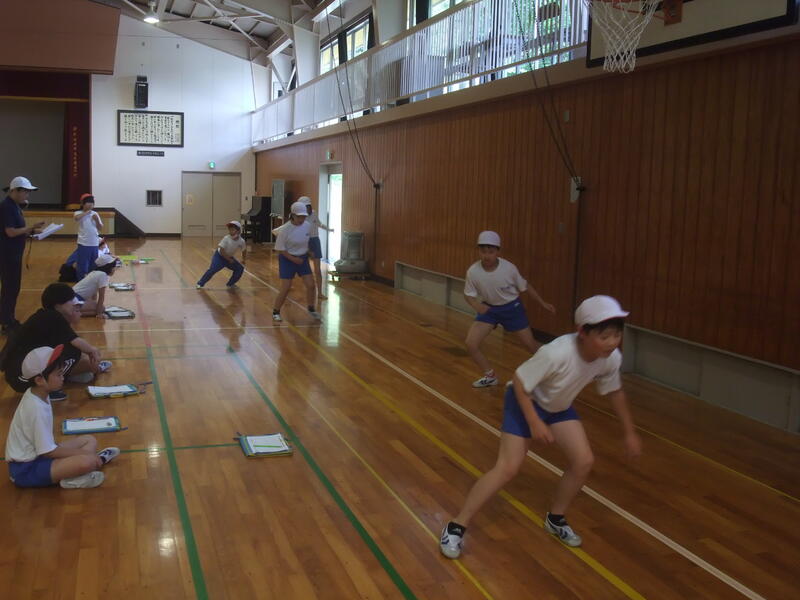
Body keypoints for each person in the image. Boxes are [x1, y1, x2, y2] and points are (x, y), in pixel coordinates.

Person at [440, 295, 643, 558]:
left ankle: (556, 518)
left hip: (558, 406)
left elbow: (615, 391)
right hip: (523, 401)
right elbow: (520, 382)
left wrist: (629, 432)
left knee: (583, 462)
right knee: (507, 468)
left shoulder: (610, 358)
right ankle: (457, 525)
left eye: (616, 335)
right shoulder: (556, 353)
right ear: (583, 332)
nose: (612, 342)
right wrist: (534, 422)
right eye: (604, 336)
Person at [5, 344, 119, 489]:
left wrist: (81, 453)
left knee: (89, 440)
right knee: (87, 461)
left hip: (39, 456)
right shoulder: (35, 408)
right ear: (40, 380)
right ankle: (81, 472)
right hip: (26, 470)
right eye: (58, 374)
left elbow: (47, 449)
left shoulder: (38, 393)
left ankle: (84, 465)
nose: (63, 377)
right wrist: (84, 455)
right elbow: (49, 452)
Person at [464, 231, 555, 388]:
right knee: (471, 343)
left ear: (498, 252)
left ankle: (555, 366)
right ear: (478, 251)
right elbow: (468, 295)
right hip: (490, 310)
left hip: (512, 308)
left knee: (531, 345)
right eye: (483, 251)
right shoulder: (473, 271)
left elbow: (525, 286)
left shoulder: (509, 268)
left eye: (491, 252)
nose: (487, 256)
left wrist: (542, 303)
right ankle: (490, 376)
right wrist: (476, 305)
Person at [1, 283, 111, 401]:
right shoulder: (53, 316)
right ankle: (48, 388)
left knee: (69, 352)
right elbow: (77, 342)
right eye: (70, 300)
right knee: (74, 351)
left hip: (18, 375)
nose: (73, 304)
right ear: (58, 305)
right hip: (21, 377)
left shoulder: (46, 316)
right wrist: (93, 351)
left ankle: (61, 377)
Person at [0, 176, 44, 334]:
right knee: (10, 288)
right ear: (15, 191)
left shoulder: (14, 206)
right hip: (7, 255)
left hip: (13, 254)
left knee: (12, 288)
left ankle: (8, 319)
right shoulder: (7, 207)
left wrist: (31, 232)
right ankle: (7, 322)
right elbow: (10, 232)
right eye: (25, 191)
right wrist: (29, 228)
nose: (27, 195)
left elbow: (16, 231)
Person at [271, 201, 321, 322]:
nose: (302, 219)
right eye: (299, 217)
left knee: (311, 285)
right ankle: (276, 311)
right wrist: (293, 259)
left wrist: (309, 252)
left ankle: (311, 309)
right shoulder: (285, 229)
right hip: (287, 259)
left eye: (303, 216)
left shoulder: (307, 226)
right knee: (286, 287)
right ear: (292, 215)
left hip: (302, 259)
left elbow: (306, 241)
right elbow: (280, 249)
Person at [196, 221, 247, 289]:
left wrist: (243, 259)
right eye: (229, 229)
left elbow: (244, 250)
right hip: (219, 257)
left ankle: (230, 284)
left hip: (229, 258)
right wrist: (229, 259)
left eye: (232, 229)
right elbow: (221, 250)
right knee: (212, 270)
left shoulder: (241, 241)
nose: (230, 231)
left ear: (238, 231)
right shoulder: (226, 238)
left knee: (240, 268)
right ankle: (200, 283)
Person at [300, 196, 334, 300]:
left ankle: (319, 293)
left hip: (315, 241)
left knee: (317, 270)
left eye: (308, 206)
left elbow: (319, 223)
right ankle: (306, 289)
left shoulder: (314, 213)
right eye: (305, 207)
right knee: (302, 269)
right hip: (304, 241)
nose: (307, 208)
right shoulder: (300, 217)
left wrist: (328, 229)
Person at [71, 193, 103, 280]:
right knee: (82, 263)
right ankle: (81, 281)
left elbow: (100, 228)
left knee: (93, 263)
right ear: (82, 204)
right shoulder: (78, 212)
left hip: (94, 243)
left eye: (92, 203)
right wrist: (87, 212)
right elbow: (77, 218)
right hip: (84, 243)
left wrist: (97, 220)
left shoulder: (95, 214)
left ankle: (91, 280)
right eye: (88, 203)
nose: (90, 205)